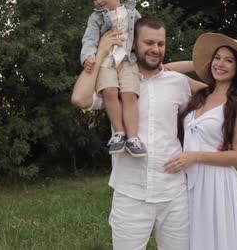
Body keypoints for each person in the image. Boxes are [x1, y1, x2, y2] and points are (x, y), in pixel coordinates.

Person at [71, 16, 206, 250]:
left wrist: (192, 64)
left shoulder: (178, 83)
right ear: (134, 43)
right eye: (149, 43)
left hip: (174, 192)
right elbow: (80, 98)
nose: (155, 49)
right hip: (130, 192)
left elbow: (222, 93)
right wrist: (102, 51)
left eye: (160, 44)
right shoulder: (116, 79)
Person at [164, 33, 237, 250]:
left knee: (216, 240)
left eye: (229, 60)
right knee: (191, 239)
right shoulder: (201, 92)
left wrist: (195, 156)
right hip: (189, 180)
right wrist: (198, 63)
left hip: (217, 182)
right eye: (217, 58)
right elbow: (165, 70)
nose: (221, 64)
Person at [80, 0, 146, 157]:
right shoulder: (95, 18)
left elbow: (142, 36)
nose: (98, 1)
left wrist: (145, 56)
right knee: (109, 91)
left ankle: (133, 137)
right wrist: (88, 57)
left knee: (129, 94)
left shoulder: (133, 13)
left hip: (128, 59)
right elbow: (89, 39)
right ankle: (119, 133)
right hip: (107, 60)